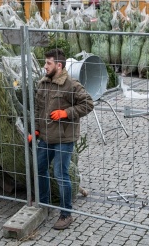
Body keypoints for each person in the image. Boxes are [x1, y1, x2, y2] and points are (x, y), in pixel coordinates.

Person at [34, 48, 94, 230]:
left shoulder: (71, 85)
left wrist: (66, 113)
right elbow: (38, 108)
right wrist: (36, 130)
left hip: (63, 138)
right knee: (40, 169)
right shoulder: (43, 84)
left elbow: (88, 104)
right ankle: (43, 204)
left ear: (58, 65)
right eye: (45, 63)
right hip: (45, 137)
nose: (45, 66)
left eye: (48, 63)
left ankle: (66, 214)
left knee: (61, 175)